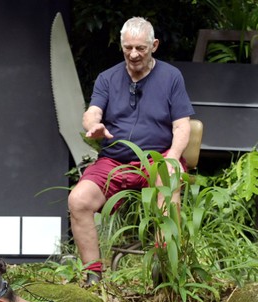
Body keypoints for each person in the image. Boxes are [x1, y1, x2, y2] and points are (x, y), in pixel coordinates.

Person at [68, 16, 194, 285]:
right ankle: (93, 277)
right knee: (78, 200)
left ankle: (164, 272)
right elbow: (92, 112)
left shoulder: (171, 77)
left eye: (140, 48)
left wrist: (172, 157)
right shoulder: (107, 78)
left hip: (158, 157)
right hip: (114, 161)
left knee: (169, 181)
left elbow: (182, 126)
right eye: (128, 48)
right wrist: (94, 125)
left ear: (154, 46)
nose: (134, 54)